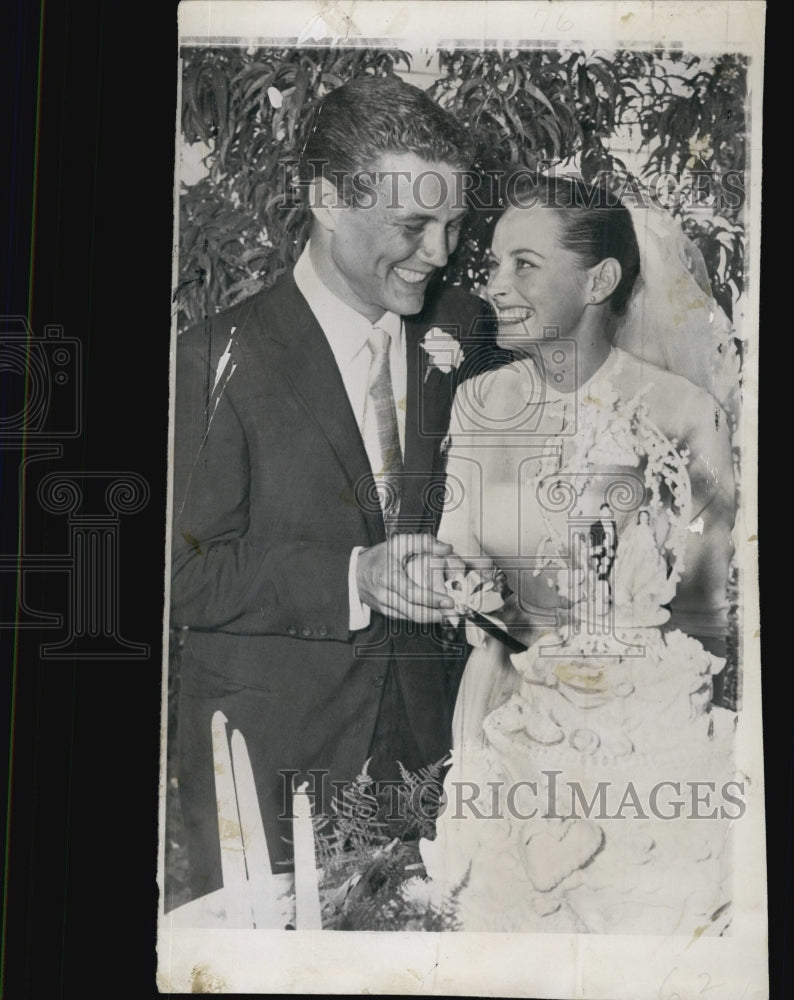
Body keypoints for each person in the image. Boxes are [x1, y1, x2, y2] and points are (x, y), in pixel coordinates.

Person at [170, 75, 491, 900]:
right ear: (326, 199)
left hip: (429, 765)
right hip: (274, 774)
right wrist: (355, 577)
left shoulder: (461, 340)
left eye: (453, 224)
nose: (441, 253)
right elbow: (179, 573)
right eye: (413, 224)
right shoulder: (209, 361)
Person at [437, 173, 735, 746]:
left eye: (523, 264)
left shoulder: (687, 414)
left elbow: (703, 620)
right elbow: (457, 556)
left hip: (635, 720)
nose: (494, 286)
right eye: (496, 264)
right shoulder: (479, 401)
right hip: (502, 711)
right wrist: (459, 585)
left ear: (599, 280)